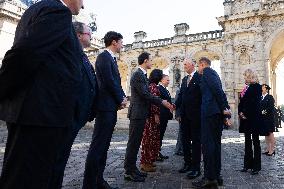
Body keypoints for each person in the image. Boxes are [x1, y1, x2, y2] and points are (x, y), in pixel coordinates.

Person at [0, 0, 84, 188]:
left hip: (35, 114)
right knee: (27, 181)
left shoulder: (38, 9)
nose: (83, 5)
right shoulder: (58, 11)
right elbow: (23, 54)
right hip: (41, 116)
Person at [48, 21, 98, 189]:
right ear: (78, 35)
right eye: (89, 34)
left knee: (61, 159)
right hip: (67, 116)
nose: (91, 37)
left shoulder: (81, 54)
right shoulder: (70, 53)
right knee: (55, 160)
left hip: (75, 117)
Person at [82, 31, 127, 189]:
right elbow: (108, 81)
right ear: (114, 42)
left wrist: (122, 97)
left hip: (110, 107)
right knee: (98, 146)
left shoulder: (111, 59)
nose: (122, 45)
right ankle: (90, 184)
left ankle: (98, 181)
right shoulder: (103, 57)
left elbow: (116, 82)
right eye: (121, 42)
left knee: (104, 146)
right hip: (105, 107)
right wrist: (120, 98)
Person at [124, 52, 173, 182]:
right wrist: (162, 101)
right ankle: (129, 171)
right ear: (145, 61)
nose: (152, 62)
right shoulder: (138, 75)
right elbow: (145, 94)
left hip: (141, 113)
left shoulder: (143, 76)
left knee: (136, 143)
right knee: (133, 143)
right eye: (150, 60)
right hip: (137, 114)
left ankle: (133, 169)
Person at [192, 57, 231, 188]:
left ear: (202, 64)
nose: (198, 69)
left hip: (210, 113)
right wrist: (224, 110)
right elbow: (219, 92)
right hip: (214, 113)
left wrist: (224, 109)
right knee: (214, 146)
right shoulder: (213, 74)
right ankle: (216, 175)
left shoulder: (208, 72)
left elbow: (217, 91)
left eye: (198, 66)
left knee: (208, 146)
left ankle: (209, 178)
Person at [175, 58, 202, 179]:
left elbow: (202, 96)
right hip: (184, 116)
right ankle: (187, 163)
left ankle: (196, 168)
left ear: (192, 65)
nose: (184, 66)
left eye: (185, 64)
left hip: (196, 117)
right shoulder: (185, 79)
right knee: (185, 141)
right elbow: (181, 96)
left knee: (196, 142)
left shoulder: (199, 77)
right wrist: (176, 109)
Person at [238, 69, 263, 175]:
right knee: (247, 142)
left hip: (253, 118)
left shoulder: (257, 87)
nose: (244, 78)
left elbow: (254, 103)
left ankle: (256, 167)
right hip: (245, 119)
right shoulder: (245, 88)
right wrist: (240, 112)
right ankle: (247, 165)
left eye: (246, 76)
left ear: (250, 76)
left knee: (256, 142)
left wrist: (245, 113)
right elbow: (242, 102)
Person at [140, 69, 164, 172]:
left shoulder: (150, 86)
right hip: (151, 117)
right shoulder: (153, 87)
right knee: (149, 139)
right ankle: (145, 163)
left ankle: (148, 161)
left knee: (149, 139)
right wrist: (156, 115)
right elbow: (154, 102)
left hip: (149, 116)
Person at [157, 74, 173, 161]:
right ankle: (156, 152)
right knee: (159, 134)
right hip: (161, 115)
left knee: (161, 133)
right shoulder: (159, 89)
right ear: (162, 80)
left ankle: (158, 151)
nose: (168, 82)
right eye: (167, 80)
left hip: (165, 115)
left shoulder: (165, 90)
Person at [260, 84, 276, 156]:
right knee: (266, 134)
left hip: (269, 118)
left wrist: (263, 112)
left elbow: (270, 108)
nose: (261, 89)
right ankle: (268, 149)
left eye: (263, 88)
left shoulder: (270, 97)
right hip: (263, 119)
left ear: (266, 89)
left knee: (270, 133)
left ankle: (272, 150)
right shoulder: (261, 97)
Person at [174, 86, 183, 156]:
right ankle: (178, 149)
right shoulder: (179, 90)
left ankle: (181, 148)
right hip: (181, 115)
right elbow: (176, 104)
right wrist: (177, 115)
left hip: (186, 115)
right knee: (181, 133)